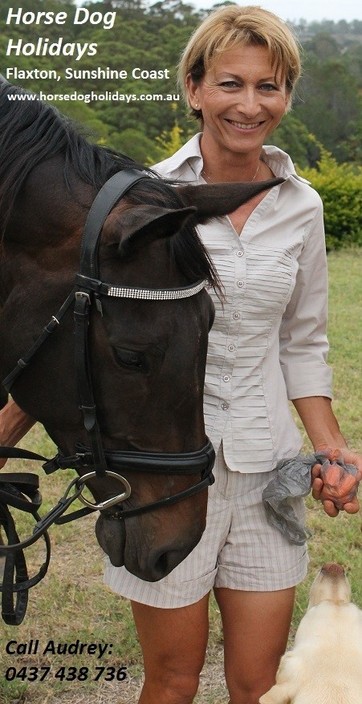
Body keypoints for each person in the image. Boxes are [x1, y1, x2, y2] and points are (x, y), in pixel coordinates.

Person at [0, 6, 360, 703]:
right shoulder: (133, 205)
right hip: (159, 471)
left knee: (258, 684)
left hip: (268, 469)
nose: (250, 104)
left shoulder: (303, 208)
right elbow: (75, 328)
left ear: (287, 95)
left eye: (270, 86)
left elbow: (304, 340)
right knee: (171, 681)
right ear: (194, 89)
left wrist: (333, 446)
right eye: (230, 83)